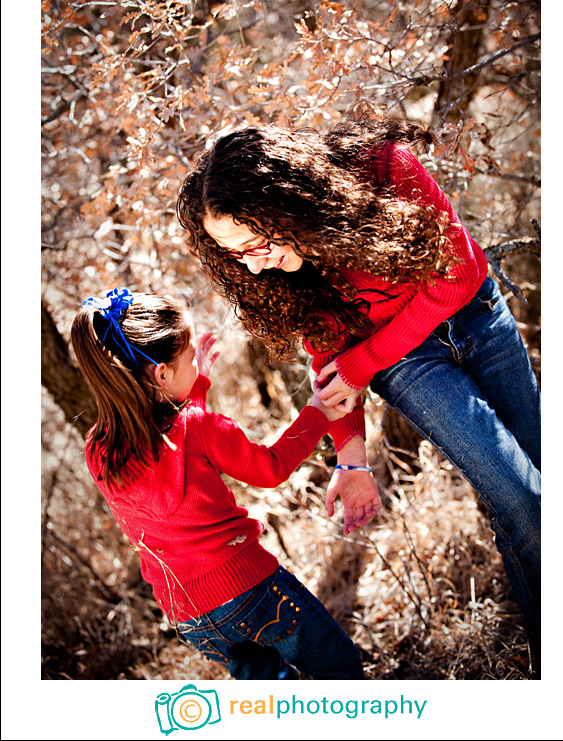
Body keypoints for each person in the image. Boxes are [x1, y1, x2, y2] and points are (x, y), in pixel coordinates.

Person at [176, 118, 541, 660]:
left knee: (537, 488)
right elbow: (330, 357)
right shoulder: (277, 271)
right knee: (523, 499)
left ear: (288, 202)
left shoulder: (381, 166)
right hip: (409, 364)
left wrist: (362, 362)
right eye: (235, 253)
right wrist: (352, 462)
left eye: (255, 242)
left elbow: (459, 274)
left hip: (480, 319)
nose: (251, 263)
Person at [70, 287, 365, 680]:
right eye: (190, 358)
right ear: (161, 374)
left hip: (189, 616)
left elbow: (171, 451)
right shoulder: (198, 427)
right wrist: (319, 411)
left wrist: (194, 387)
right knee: (337, 667)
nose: (197, 365)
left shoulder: (99, 451)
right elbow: (271, 468)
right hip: (251, 590)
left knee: (275, 693)